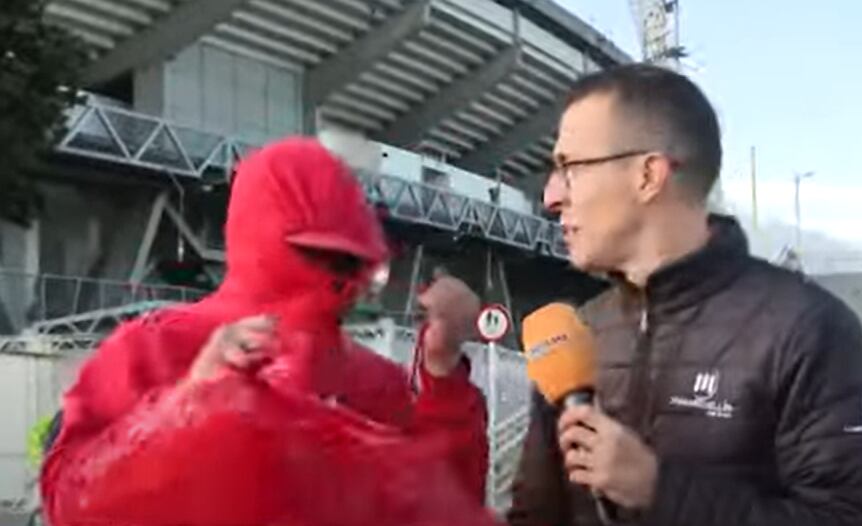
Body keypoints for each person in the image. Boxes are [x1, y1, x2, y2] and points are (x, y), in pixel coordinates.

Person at [40, 138, 490, 526]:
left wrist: (443, 369)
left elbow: (443, 509)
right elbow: (71, 503)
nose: (344, 281)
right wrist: (192, 408)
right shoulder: (152, 348)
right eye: (326, 256)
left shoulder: (377, 382)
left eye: (354, 262)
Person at [507, 64, 862, 526]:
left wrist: (658, 489)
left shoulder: (807, 330)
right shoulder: (577, 335)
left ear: (649, 176)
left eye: (569, 167)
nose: (552, 196)